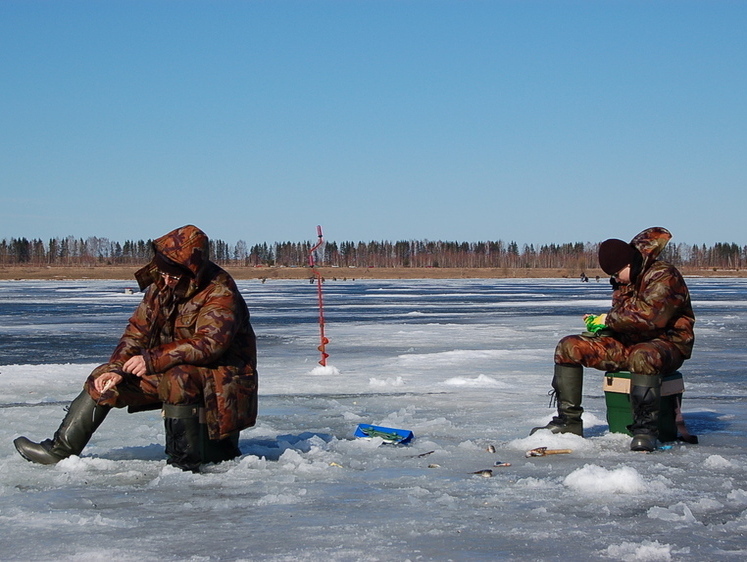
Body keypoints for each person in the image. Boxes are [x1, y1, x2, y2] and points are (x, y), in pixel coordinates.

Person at [14, 225, 258, 471]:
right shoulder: (162, 285)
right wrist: (117, 369)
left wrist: (152, 360)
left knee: (178, 377)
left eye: (173, 276)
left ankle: (183, 463)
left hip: (220, 383)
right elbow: (137, 332)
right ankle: (59, 450)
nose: (165, 280)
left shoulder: (220, 292)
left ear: (191, 272)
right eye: (162, 273)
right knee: (104, 378)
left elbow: (209, 345)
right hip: (173, 369)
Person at [530, 227, 695, 452]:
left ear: (629, 264)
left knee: (642, 355)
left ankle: (645, 430)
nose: (616, 279)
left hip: (667, 345)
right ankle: (568, 422)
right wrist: (601, 328)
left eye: (617, 273)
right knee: (569, 347)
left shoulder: (664, 275)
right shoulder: (624, 282)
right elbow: (623, 320)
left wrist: (608, 320)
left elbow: (650, 317)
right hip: (628, 343)